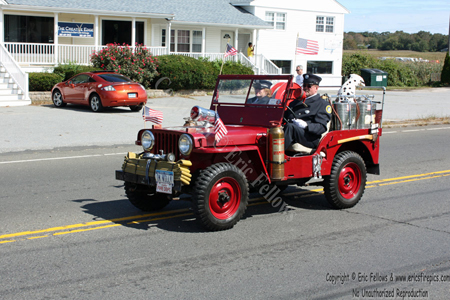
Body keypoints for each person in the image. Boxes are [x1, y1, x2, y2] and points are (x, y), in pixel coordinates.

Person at [283, 74, 332, 151]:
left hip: (309, 137)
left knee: (290, 127)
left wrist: (306, 126)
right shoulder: (295, 102)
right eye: (304, 85)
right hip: (293, 133)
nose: (305, 88)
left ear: (316, 88)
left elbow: (321, 127)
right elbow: (285, 117)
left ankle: (274, 157)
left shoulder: (322, 104)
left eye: (309, 86)